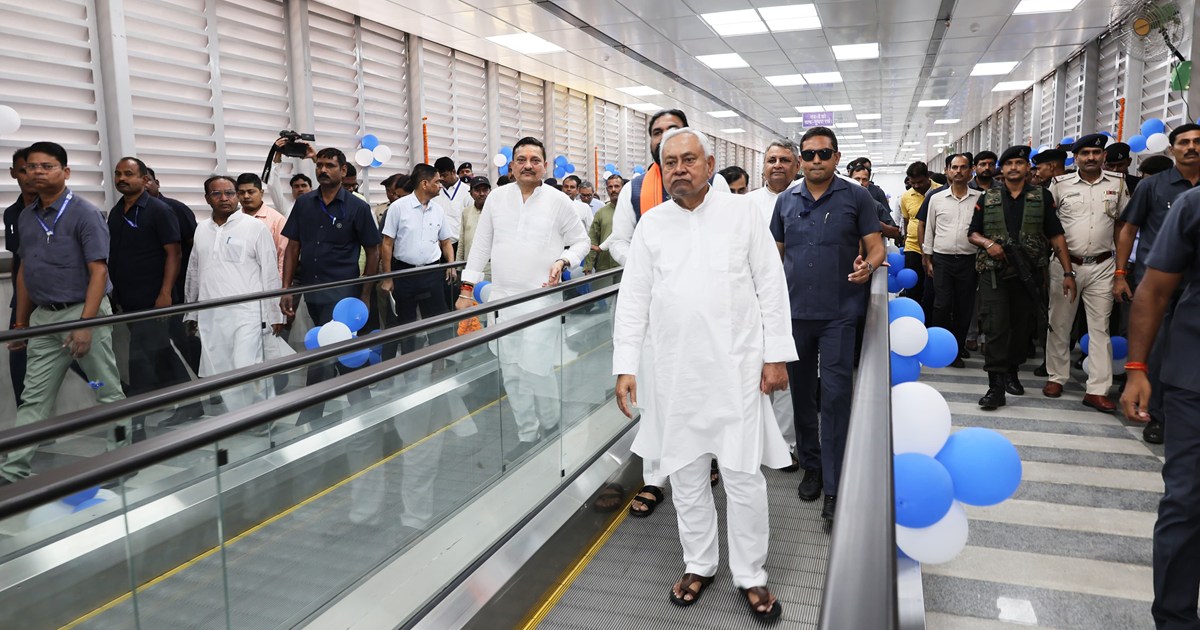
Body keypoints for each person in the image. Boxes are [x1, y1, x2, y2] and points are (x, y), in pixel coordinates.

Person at [614, 127, 792, 620]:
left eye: (688, 159)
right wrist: (626, 364)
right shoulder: (652, 224)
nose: (679, 169)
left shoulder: (743, 215)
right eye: (669, 162)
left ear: (709, 164)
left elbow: (771, 288)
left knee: (743, 478)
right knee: (687, 477)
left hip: (736, 370)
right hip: (674, 374)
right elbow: (633, 300)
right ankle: (700, 563)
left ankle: (751, 574)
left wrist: (776, 356)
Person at [600, 108, 730, 517]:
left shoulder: (717, 183)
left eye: (673, 131)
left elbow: (721, 237)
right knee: (654, 396)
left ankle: (706, 458)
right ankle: (655, 478)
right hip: (656, 311)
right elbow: (619, 241)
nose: (664, 138)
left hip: (706, 313)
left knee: (704, 388)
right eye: (657, 133)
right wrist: (648, 263)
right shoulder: (635, 189)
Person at [771, 126, 885, 524]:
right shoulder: (786, 201)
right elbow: (775, 255)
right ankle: (813, 467)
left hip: (839, 314)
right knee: (801, 395)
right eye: (809, 154)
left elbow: (876, 245)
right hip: (795, 315)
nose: (816, 161)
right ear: (801, 159)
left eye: (824, 154)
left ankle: (836, 483)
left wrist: (868, 266)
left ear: (837, 157)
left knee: (836, 396)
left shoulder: (856, 196)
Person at [455, 136, 590, 464]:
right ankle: (527, 433)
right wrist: (466, 288)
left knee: (537, 367)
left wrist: (564, 261)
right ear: (512, 165)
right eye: (521, 159)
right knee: (511, 370)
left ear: (545, 165)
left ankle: (550, 423)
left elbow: (581, 242)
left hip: (541, 299)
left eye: (535, 159)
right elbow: (482, 244)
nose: (528, 165)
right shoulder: (497, 199)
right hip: (502, 298)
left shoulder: (559, 201)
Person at [1, 142, 128, 483]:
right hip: (43, 319)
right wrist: (21, 323)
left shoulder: (85, 214)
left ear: (65, 172)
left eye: (47, 166)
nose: (37, 172)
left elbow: (99, 271)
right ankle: (12, 472)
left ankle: (120, 460)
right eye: (31, 167)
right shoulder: (26, 217)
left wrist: (86, 325)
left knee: (103, 388)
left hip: (83, 314)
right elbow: (26, 270)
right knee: (34, 398)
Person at [1120, 184, 1200, 629]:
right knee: (1188, 501)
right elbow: (1153, 291)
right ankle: (1174, 619)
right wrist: (1136, 369)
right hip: (1194, 378)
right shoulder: (1194, 205)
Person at [280, 147, 381, 425]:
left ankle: (310, 417)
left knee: (324, 351)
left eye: (330, 166)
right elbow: (293, 247)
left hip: (343, 294)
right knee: (339, 351)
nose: (323, 170)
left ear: (343, 170)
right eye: (320, 165)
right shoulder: (304, 204)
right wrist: (288, 288)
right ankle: (364, 408)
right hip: (312, 291)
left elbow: (373, 251)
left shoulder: (357, 207)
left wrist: (365, 293)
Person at [968, 145, 1074, 410]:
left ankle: (1011, 373)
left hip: (1028, 273)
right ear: (1001, 170)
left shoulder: (1042, 196)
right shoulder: (987, 197)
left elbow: (1055, 235)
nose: (1014, 167)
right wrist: (988, 244)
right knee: (995, 327)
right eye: (1009, 163)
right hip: (994, 273)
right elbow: (972, 233)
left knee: (1021, 328)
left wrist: (1068, 271)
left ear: (1028, 168)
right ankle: (995, 386)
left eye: (1019, 162)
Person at [1116, 123, 1200, 444]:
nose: (1191, 147)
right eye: (1184, 142)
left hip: (1195, 288)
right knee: (1158, 351)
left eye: (1197, 142)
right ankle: (1160, 417)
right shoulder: (1153, 187)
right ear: (1172, 149)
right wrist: (1120, 274)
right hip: (1158, 286)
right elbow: (1128, 229)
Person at [1041, 134, 1128, 411]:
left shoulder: (1118, 184)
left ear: (1103, 156)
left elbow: (1123, 228)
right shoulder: (1059, 184)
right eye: (1085, 153)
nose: (1091, 157)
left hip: (1103, 265)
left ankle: (1097, 389)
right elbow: (1048, 226)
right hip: (1067, 265)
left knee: (1100, 328)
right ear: (1075, 158)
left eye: (1096, 153)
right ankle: (1057, 376)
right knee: (1060, 323)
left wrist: (1120, 271)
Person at [185, 175, 284, 412]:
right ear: (207, 198)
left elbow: (270, 273)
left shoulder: (255, 228)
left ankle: (262, 416)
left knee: (247, 366)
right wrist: (191, 313)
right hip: (212, 316)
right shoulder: (201, 230)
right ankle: (239, 418)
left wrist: (275, 314)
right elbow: (194, 273)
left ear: (237, 195)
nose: (224, 198)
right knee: (222, 371)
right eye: (217, 194)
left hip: (247, 314)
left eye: (229, 193)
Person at [108, 157, 191, 436]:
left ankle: (137, 425)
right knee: (160, 352)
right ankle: (191, 400)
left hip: (155, 299)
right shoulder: (116, 212)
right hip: (128, 298)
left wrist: (166, 293)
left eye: (128, 174)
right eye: (118, 174)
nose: (122, 178)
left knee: (140, 359)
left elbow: (174, 253)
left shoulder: (159, 210)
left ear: (144, 179)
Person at [746, 140, 802, 470]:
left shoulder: (804, 198)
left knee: (783, 375)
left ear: (797, 166)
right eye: (771, 160)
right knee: (750, 374)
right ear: (762, 166)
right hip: (748, 301)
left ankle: (786, 445)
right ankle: (751, 443)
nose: (777, 165)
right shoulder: (745, 204)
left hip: (792, 302)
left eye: (784, 160)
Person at [378, 163, 456, 358]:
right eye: (437, 181)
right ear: (424, 184)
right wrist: (387, 277)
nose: (441, 185)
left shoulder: (438, 210)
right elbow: (387, 244)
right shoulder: (398, 208)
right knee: (406, 325)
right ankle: (408, 367)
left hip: (431, 272)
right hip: (404, 273)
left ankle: (440, 364)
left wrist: (451, 265)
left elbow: (446, 241)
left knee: (437, 322)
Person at [922, 154, 982, 368]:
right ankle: (939, 349)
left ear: (970, 170)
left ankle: (956, 350)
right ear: (947, 170)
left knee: (964, 307)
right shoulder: (936, 199)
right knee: (942, 304)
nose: (958, 171)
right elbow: (929, 228)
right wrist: (926, 258)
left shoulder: (980, 198)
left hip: (969, 261)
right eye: (954, 167)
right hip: (942, 260)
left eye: (963, 167)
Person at [236, 173, 288, 281]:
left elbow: (283, 256)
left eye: (251, 192)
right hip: (239, 281)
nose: (246, 196)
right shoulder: (233, 219)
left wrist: (281, 285)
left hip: (266, 283)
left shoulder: (277, 220)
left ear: (261, 193)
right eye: (241, 193)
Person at [899, 161, 931, 307]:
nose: (916, 186)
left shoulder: (939, 191)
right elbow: (906, 221)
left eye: (920, 182)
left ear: (927, 177)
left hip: (933, 247)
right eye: (913, 183)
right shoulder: (906, 197)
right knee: (913, 287)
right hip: (913, 247)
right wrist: (906, 241)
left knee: (930, 288)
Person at [585, 175, 622, 288]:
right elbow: (593, 240)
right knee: (602, 303)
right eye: (610, 187)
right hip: (604, 266)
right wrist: (588, 266)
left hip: (625, 267)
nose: (613, 190)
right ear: (607, 190)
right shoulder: (601, 213)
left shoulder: (631, 210)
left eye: (616, 186)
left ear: (623, 188)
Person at [456, 175, 491, 279]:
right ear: (471, 193)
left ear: (490, 192)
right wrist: (458, 268)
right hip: (470, 269)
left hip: (491, 270)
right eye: (477, 190)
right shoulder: (466, 212)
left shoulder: (496, 212)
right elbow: (462, 242)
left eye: (485, 190)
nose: (481, 194)